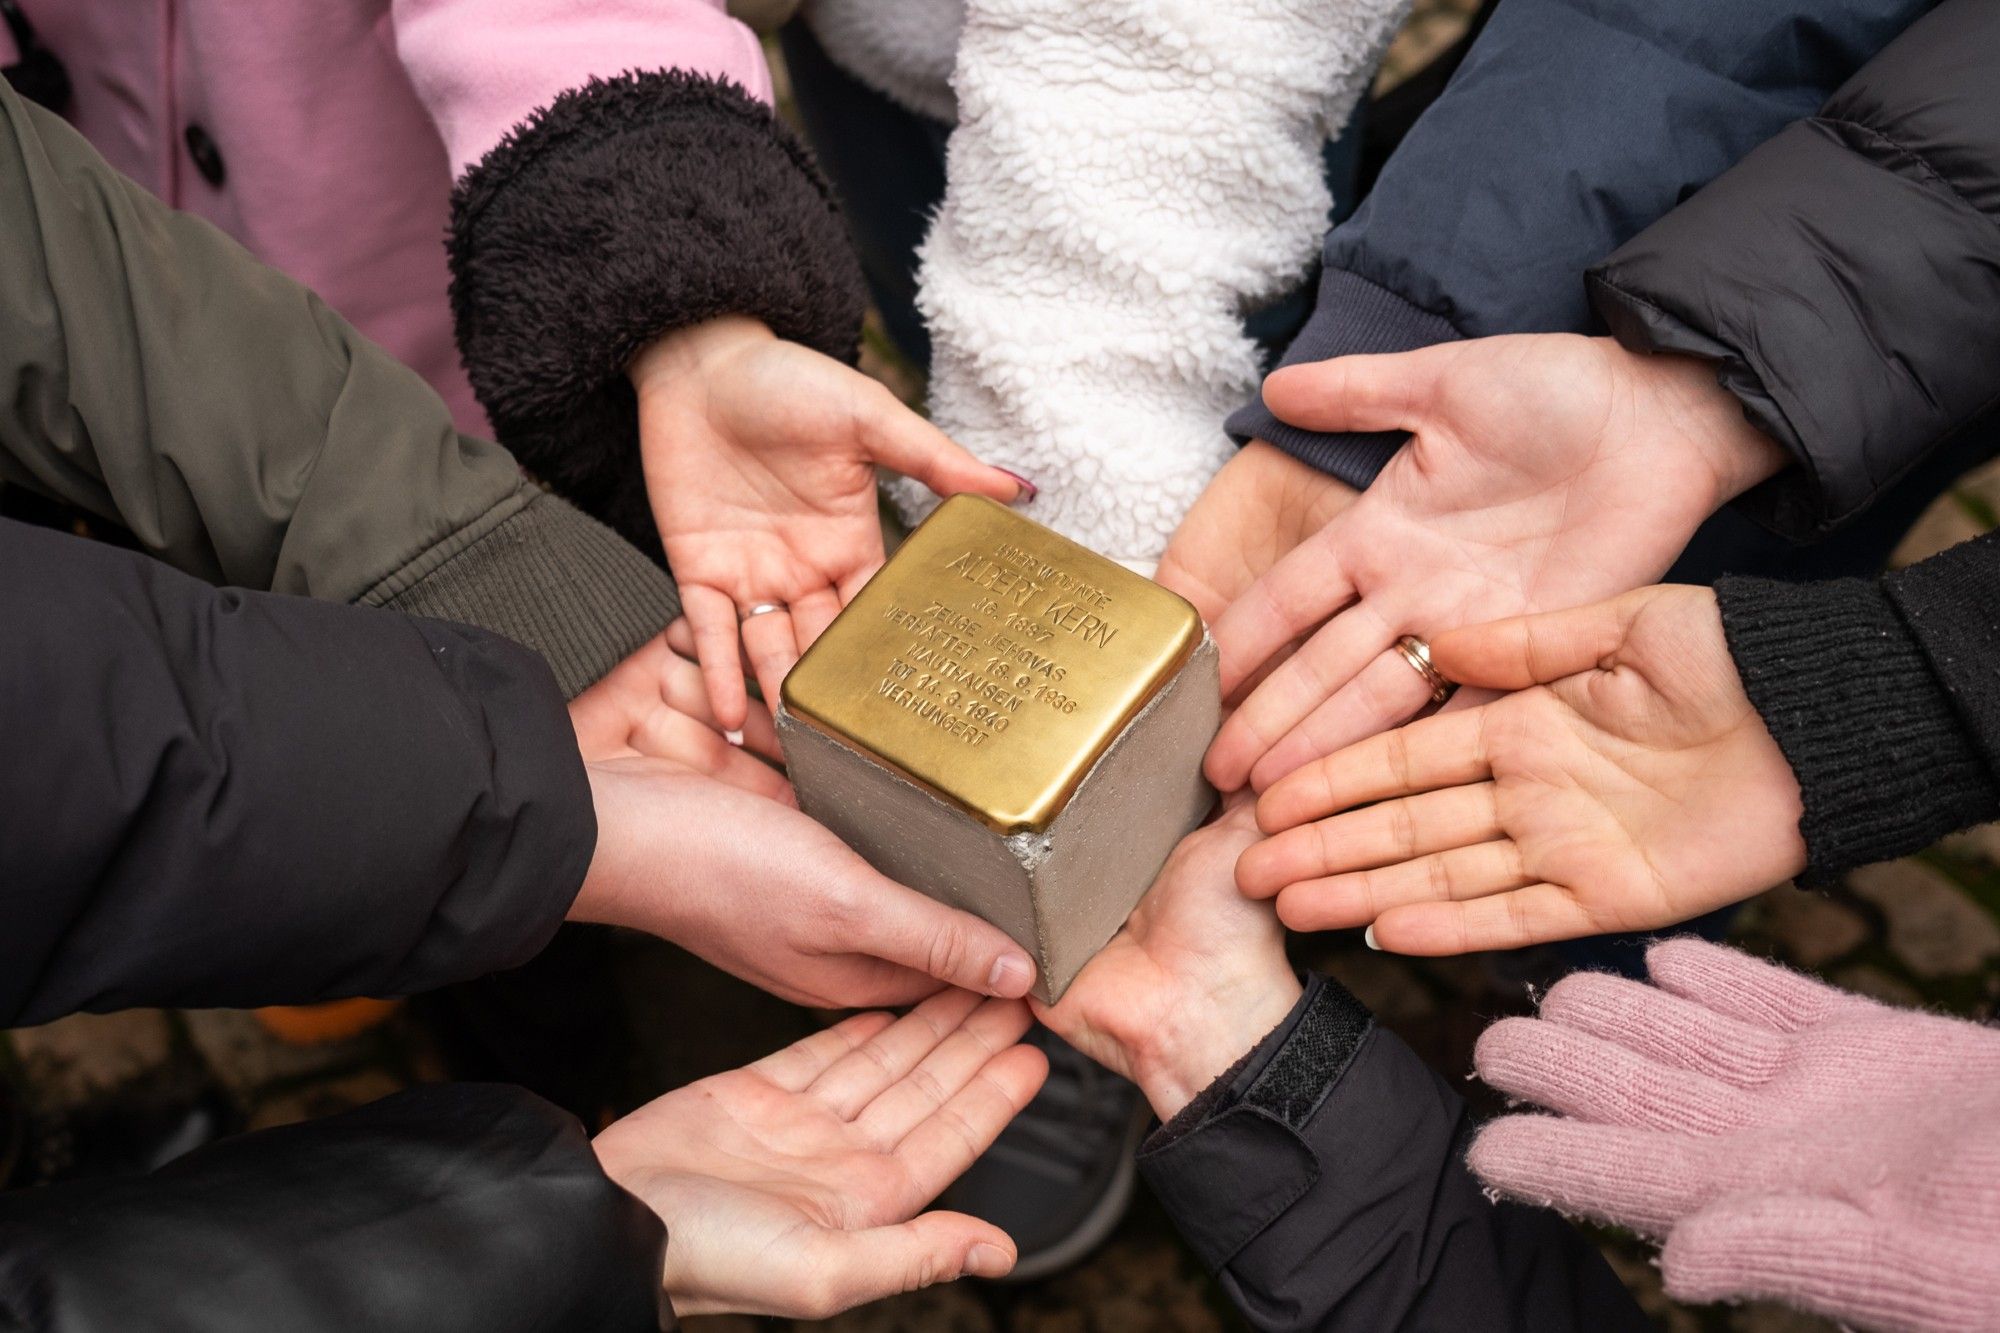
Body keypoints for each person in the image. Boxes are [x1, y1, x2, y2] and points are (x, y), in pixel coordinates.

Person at [1227, 0, 2000, 953]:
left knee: (1727, 694)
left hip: (1900, 365)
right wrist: (1449, 319)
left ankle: (1572, 974)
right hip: (1554, 224)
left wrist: (1925, 673)